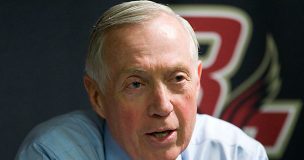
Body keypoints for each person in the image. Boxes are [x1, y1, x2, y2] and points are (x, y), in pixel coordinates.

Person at [15, 1, 268, 160]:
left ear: (198, 81)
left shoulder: (236, 153)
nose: (162, 107)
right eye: (136, 84)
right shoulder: (52, 154)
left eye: (178, 78)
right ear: (97, 97)